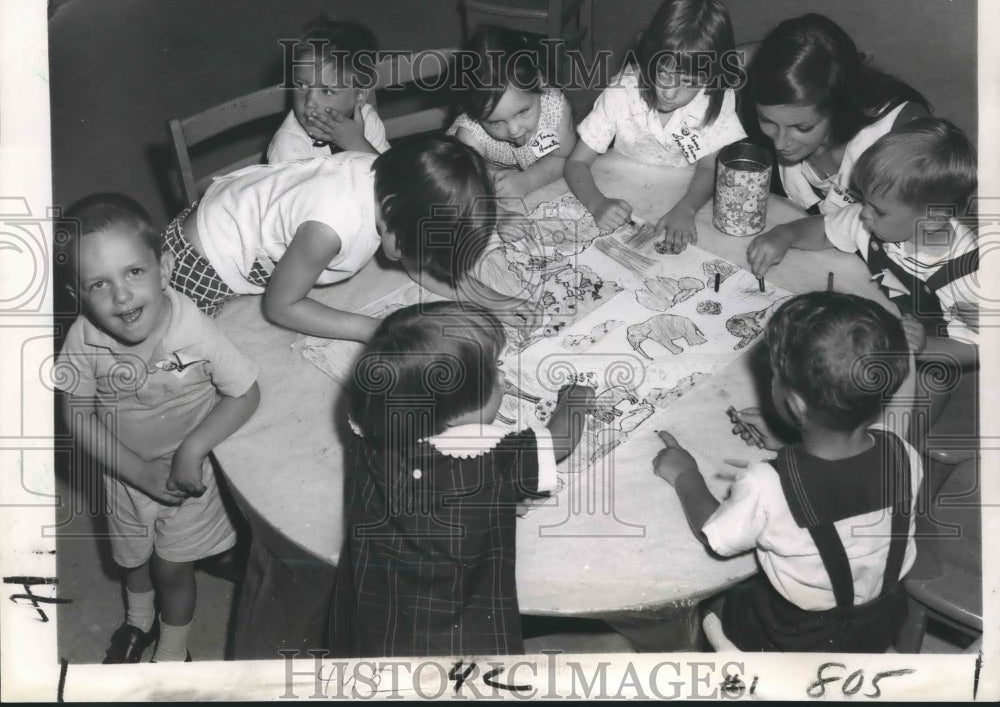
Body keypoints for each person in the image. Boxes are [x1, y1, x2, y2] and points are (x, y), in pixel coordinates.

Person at [652, 292, 921, 652]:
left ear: (793, 405)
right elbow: (843, 485)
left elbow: (714, 537)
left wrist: (685, 474)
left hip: (792, 633)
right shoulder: (904, 454)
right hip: (882, 617)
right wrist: (789, 444)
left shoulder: (766, 484)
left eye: (774, 375)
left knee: (703, 595)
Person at [55, 194, 260, 663]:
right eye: (98, 284)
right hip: (123, 474)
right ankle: (138, 621)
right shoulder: (81, 341)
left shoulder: (195, 330)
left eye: (134, 272)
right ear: (77, 296)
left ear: (164, 269)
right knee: (132, 561)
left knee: (172, 569)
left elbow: (245, 391)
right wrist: (137, 472)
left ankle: (173, 647)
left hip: (189, 479)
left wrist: (193, 449)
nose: (121, 296)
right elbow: (77, 414)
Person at [331, 301, 595, 657]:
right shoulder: (488, 458)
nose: (504, 377)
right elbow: (561, 439)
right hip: (459, 628)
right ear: (459, 412)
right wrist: (575, 400)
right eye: (495, 371)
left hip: (378, 607)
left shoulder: (372, 422)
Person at [164, 137, 540, 339]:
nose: (419, 261)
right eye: (416, 249)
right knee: (177, 359)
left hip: (243, 219)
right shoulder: (330, 227)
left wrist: (494, 300)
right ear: (393, 210)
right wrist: (372, 329)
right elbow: (281, 306)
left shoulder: (399, 186)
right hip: (201, 259)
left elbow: (417, 266)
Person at [748, 118, 978, 370]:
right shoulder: (873, 218)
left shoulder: (970, 276)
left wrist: (925, 347)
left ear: (931, 221)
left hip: (932, 350)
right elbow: (825, 231)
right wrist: (786, 234)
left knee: (914, 396)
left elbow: (983, 348)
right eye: (863, 199)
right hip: (882, 322)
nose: (863, 213)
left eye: (878, 210)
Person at [565, 0, 746, 251]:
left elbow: (709, 169)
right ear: (647, 53)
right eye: (662, 72)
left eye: (689, 82)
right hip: (621, 187)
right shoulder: (622, 91)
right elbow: (577, 163)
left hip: (687, 197)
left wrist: (687, 209)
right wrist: (597, 203)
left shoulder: (716, 97)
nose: (670, 92)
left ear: (710, 78)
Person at [748, 12, 929, 215]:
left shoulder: (903, 133)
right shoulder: (781, 112)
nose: (780, 144)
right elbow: (742, 55)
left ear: (839, 107)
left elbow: (924, 224)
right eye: (766, 120)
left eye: (802, 128)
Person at [449, 26, 577, 202]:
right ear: (474, 115)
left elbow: (565, 158)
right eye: (495, 122)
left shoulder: (556, 109)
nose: (514, 130)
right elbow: (465, 186)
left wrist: (527, 180)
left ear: (539, 81)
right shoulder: (470, 135)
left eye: (523, 111)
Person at [267, 16, 389, 163]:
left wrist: (357, 144)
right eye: (302, 85)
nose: (310, 102)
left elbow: (390, 179)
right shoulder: (288, 147)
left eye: (327, 91)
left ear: (359, 96)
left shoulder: (367, 119)